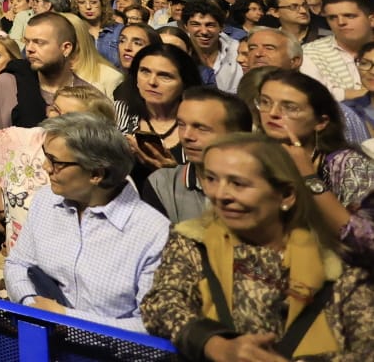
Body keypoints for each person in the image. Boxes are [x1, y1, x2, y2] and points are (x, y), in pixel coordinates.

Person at [141, 133, 374, 362]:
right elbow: (163, 303)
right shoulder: (194, 241)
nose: (220, 195)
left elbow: (366, 348)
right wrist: (214, 344)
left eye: (238, 183)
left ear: (286, 195)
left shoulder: (337, 265)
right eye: (211, 179)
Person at [4, 112, 170, 332]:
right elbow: (17, 264)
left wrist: (66, 319)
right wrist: (30, 303)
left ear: (96, 174)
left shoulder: (155, 234)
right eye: (46, 156)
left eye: (55, 162)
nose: (45, 167)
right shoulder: (45, 200)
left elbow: (151, 327)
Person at [0, 85, 116, 299]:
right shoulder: (16, 140)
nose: (55, 118)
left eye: (69, 116)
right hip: (17, 272)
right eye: (55, 109)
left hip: (70, 287)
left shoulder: (97, 170)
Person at [256, 70, 374, 265]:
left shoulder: (346, 164)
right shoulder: (253, 156)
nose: (273, 113)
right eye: (265, 102)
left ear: (321, 122)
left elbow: (365, 241)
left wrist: (308, 176)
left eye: (289, 107)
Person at [0, 12, 102, 144]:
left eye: (39, 42)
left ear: (66, 48)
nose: (29, 49)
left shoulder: (88, 97)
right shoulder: (8, 84)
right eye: (27, 42)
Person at [148, 87, 254, 224]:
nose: (186, 136)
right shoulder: (161, 184)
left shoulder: (262, 187)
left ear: (237, 136)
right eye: (181, 125)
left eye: (201, 128)